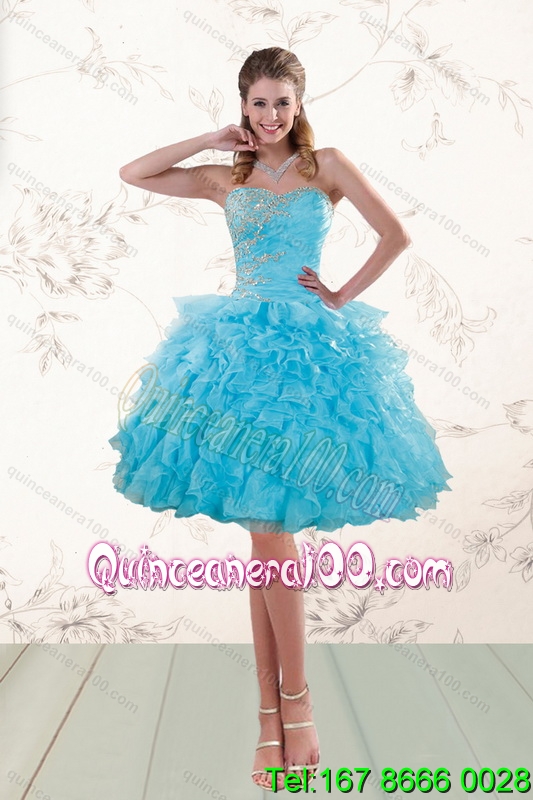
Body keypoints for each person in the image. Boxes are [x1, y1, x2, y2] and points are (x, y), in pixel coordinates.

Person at [108, 47, 452, 791]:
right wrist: (209, 138)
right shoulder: (223, 177)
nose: (270, 116)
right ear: (243, 105)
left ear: (299, 105)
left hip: (308, 362)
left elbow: (396, 235)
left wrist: (339, 295)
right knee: (265, 533)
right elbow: (133, 172)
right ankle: (279, 710)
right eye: (258, 103)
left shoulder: (326, 165)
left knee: (271, 532)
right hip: (235, 355)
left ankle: (289, 708)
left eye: (282, 103)